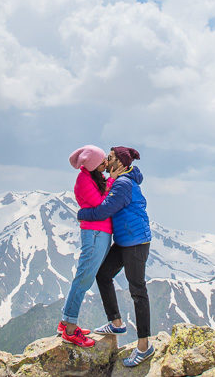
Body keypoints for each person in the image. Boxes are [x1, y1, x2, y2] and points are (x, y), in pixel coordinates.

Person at [77, 146, 154, 368]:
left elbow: (104, 211)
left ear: (119, 163)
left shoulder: (122, 184)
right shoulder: (123, 180)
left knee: (138, 290)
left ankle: (144, 347)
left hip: (136, 243)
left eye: (109, 158)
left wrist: (82, 214)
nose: (106, 161)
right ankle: (117, 323)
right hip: (125, 240)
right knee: (103, 274)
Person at [58, 145, 114, 347]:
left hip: (101, 233)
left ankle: (65, 322)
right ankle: (70, 329)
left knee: (84, 278)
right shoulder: (84, 181)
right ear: (93, 164)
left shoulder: (93, 178)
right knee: (83, 279)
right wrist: (112, 184)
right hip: (95, 233)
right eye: (102, 161)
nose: (105, 163)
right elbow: (101, 204)